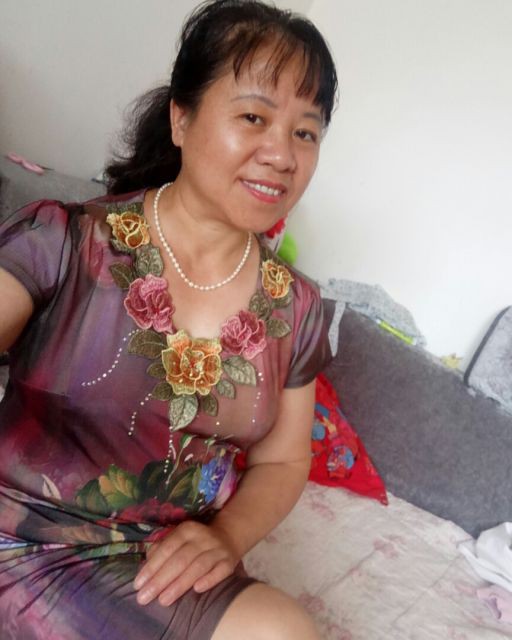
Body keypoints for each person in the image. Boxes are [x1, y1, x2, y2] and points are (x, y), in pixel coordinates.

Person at [0, 0, 338, 637]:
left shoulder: (297, 308)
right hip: (17, 534)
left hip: (161, 567)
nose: (282, 154)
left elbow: (283, 461)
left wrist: (228, 537)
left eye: (306, 132)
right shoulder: (67, 243)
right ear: (181, 118)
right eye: (254, 117)